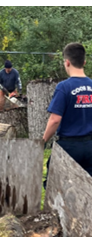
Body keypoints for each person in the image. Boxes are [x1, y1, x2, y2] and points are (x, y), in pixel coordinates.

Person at [43, 42, 92, 177]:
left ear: (67, 63)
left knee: (56, 185)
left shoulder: (64, 87)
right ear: (84, 62)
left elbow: (55, 120)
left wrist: (43, 141)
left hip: (69, 146)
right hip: (91, 145)